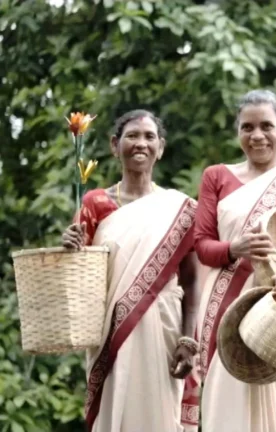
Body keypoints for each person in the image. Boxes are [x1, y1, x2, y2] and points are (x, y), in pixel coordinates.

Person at [184, 89, 276, 432]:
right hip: (226, 305)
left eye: (267, 126)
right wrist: (234, 249)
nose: (257, 136)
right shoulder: (216, 176)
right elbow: (202, 244)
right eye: (247, 127)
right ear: (237, 131)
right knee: (225, 403)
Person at [61, 110, 199, 432]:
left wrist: (188, 341)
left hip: (163, 328)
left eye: (149, 137)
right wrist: (68, 245)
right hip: (111, 333)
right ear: (114, 145)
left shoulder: (178, 208)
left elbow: (192, 281)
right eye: (132, 136)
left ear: (161, 147)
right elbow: (77, 273)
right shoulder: (96, 203)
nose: (141, 143)